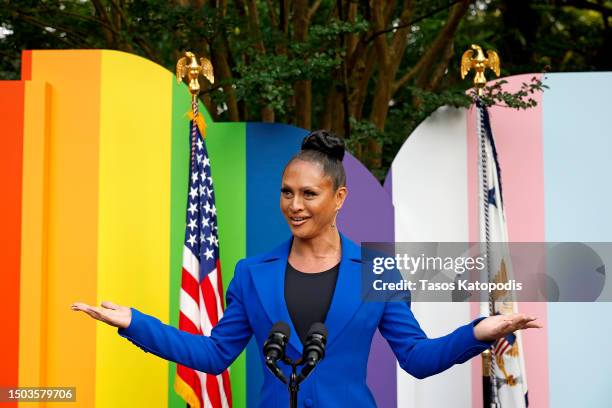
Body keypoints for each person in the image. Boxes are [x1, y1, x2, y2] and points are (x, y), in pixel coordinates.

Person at [72, 130, 541, 407]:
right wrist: (135, 323)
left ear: (339, 198)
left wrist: (478, 332)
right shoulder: (252, 273)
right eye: (286, 192)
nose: (294, 206)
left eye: (308, 194)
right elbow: (214, 355)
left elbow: (417, 359)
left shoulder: (378, 270)